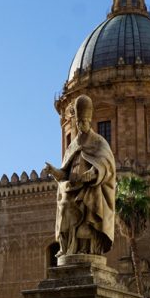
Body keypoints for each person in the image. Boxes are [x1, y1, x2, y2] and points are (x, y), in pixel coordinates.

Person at [44, 95, 116, 257]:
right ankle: (66, 247)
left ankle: (86, 247)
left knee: (90, 199)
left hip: (90, 186)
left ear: (89, 121)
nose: (80, 125)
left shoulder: (99, 142)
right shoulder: (72, 145)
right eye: (78, 122)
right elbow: (65, 172)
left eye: (83, 122)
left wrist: (94, 172)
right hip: (72, 187)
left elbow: (107, 163)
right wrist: (53, 171)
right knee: (64, 205)